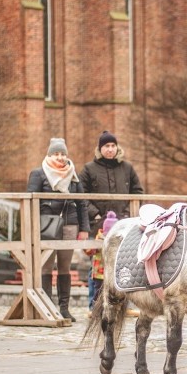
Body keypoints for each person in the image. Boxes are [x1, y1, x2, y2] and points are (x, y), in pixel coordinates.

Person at [27, 138, 89, 322]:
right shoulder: (38, 174)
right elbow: (30, 201)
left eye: (63, 154)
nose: (60, 157)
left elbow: (81, 203)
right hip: (46, 225)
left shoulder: (73, 175)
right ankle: (47, 306)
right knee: (46, 265)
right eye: (56, 153)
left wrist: (84, 228)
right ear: (49, 154)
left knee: (65, 266)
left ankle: (64, 308)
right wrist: (32, 227)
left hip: (69, 223)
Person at [79, 130, 144, 237]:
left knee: (122, 253)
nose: (110, 149)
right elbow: (81, 195)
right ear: (100, 148)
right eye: (107, 146)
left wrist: (127, 213)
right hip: (97, 224)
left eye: (113, 146)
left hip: (125, 223)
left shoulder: (127, 168)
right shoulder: (89, 169)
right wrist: (95, 214)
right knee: (98, 254)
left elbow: (138, 192)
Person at [84, 210, 117, 310]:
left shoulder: (117, 239)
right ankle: (94, 307)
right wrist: (93, 247)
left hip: (112, 273)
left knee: (112, 291)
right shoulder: (98, 238)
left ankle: (110, 308)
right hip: (99, 272)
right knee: (98, 291)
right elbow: (89, 251)